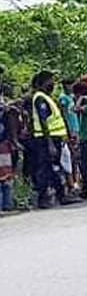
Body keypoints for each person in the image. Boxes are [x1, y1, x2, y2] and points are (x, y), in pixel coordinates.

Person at [29, 70, 77, 208]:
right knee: (45, 168)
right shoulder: (40, 98)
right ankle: (43, 197)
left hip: (54, 138)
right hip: (45, 139)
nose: (53, 84)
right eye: (51, 81)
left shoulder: (47, 97)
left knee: (54, 167)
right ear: (44, 82)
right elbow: (44, 121)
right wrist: (49, 143)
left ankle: (61, 195)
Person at [0, 81, 19, 212]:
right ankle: (5, 204)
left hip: (3, 143)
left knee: (6, 174)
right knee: (5, 175)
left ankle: (7, 203)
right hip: (3, 142)